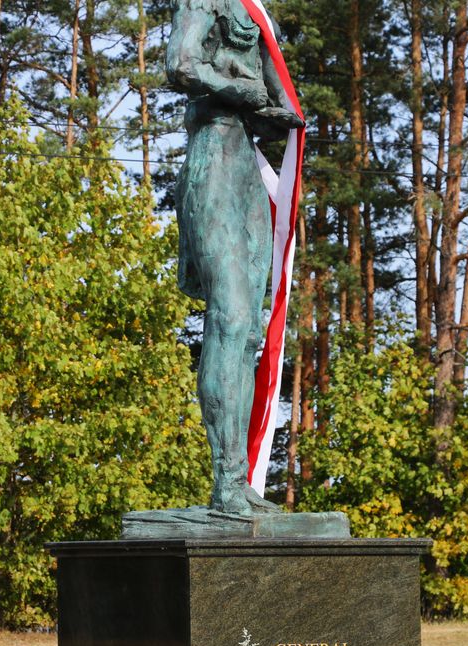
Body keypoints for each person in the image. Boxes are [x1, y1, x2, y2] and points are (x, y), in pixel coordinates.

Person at [166, 0, 303, 514]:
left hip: (245, 159)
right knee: (230, 317)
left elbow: (268, 92)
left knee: (247, 331)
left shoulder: (256, 11)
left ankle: (240, 479)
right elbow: (181, 64)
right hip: (213, 156)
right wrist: (241, 91)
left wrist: (275, 110)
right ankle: (225, 481)